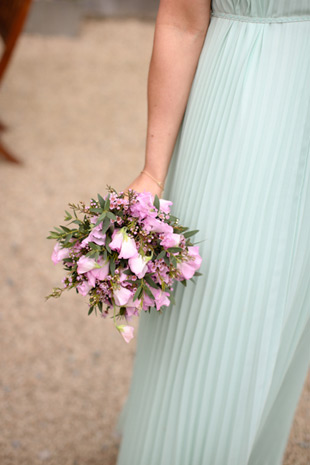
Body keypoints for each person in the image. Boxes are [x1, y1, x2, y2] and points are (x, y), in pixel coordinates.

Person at [116, 0, 310, 464]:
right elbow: (182, 21)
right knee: (222, 292)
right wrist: (153, 174)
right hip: (243, 96)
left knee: (288, 302)